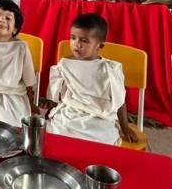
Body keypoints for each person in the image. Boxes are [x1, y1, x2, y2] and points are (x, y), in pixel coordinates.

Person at [46, 13, 137, 145]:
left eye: (84, 41)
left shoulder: (110, 69)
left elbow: (120, 101)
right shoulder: (65, 63)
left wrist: (125, 127)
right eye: (73, 38)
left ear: (99, 46)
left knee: (102, 139)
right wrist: (52, 110)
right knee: (55, 133)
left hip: (99, 117)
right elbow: (55, 92)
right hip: (71, 113)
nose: (77, 45)